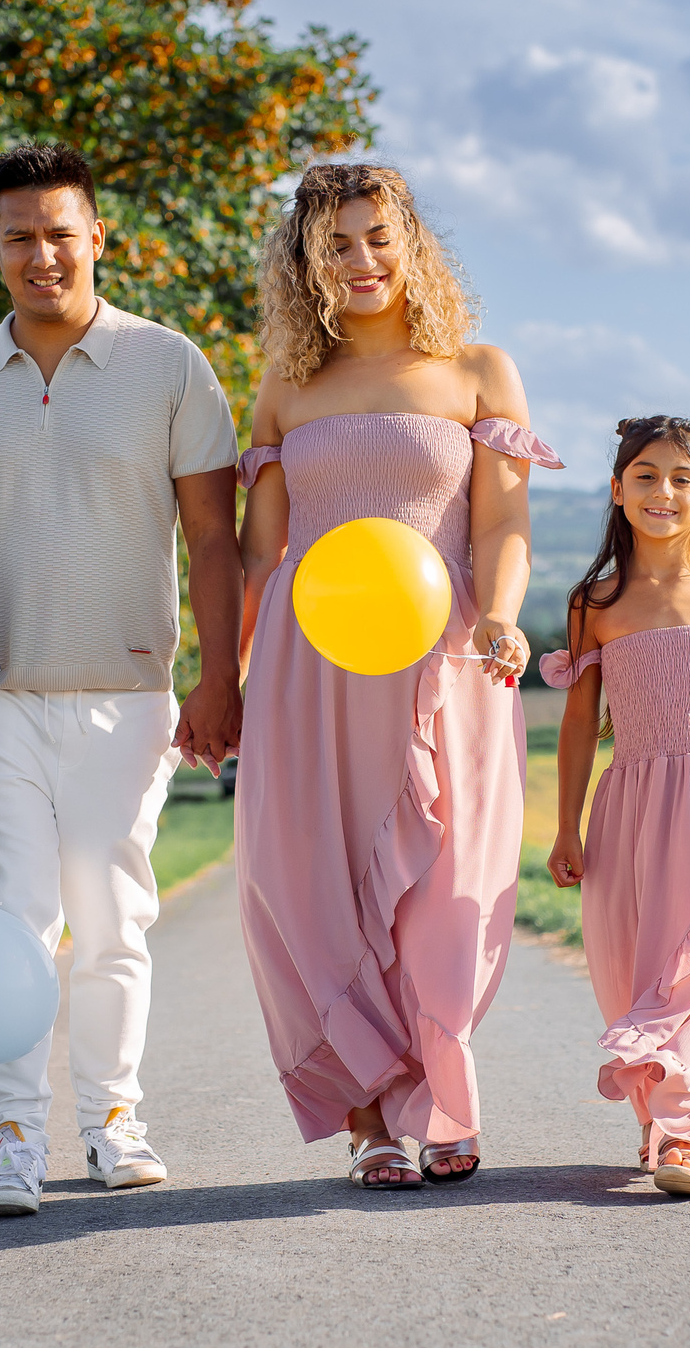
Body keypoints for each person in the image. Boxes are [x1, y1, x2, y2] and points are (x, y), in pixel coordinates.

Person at [234, 163, 559, 1191]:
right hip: (310, 668)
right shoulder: (286, 387)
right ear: (306, 262)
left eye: (378, 237)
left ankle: (446, 1098)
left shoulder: (476, 370)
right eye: (336, 244)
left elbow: (504, 522)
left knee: (453, 885)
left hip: (448, 658)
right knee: (315, 881)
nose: (361, 260)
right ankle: (371, 1118)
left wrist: (501, 616)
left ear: (411, 243)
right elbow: (259, 555)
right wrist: (220, 681)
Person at [541, 416, 690, 1198]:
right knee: (635, 969)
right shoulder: (596, 603)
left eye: (682, 477)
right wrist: (565, 824)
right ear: (617, 490)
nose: (663, 491)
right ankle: (665, 1118)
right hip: (631, 809)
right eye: (645, 475)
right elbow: (578, 725)